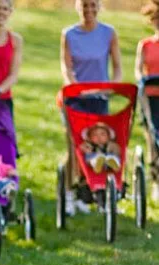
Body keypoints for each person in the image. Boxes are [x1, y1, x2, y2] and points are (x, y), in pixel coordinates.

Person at [59, 0, 122, 215]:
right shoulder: (69, 34)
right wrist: (75, 87)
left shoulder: (109, 33)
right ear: (78, 7)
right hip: (76, 99)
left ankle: (100, 194)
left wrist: (114, 86)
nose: (88, 10)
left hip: (99, 98)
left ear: (99, 6)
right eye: (84, 5)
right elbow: (66, 67)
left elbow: (117, 66)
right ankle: (69, 193)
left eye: (93, 5)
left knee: (100, 147)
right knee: (74, 148)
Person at [135, 0, 159, 201]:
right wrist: (141, 78)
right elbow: (138, 69)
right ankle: (156, 181)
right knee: (153, 137)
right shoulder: (145, 45)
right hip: (150, 97)